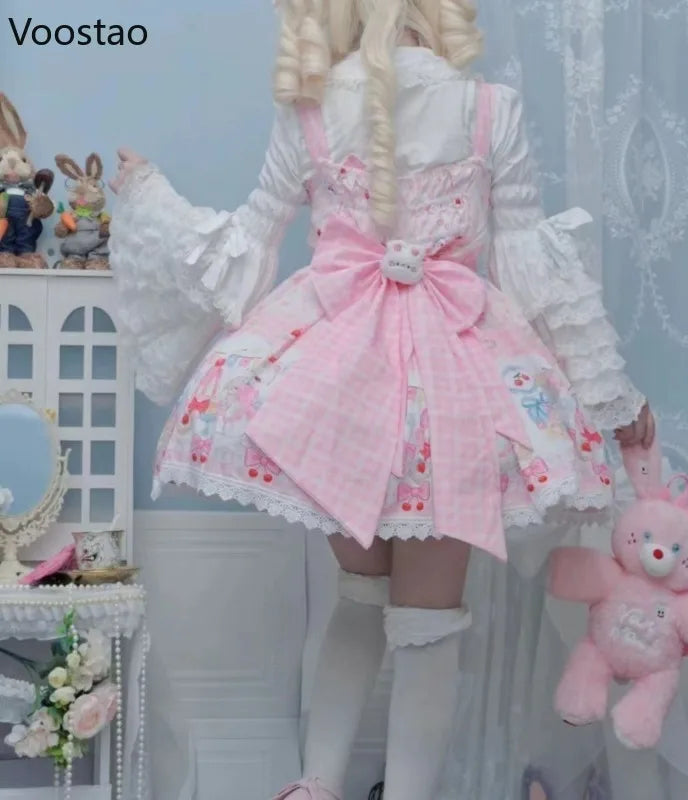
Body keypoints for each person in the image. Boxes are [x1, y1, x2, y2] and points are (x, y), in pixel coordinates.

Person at [109, 2, 655, 798]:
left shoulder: (310, 109)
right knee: (428, 626)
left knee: (360, 598)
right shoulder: (488, 110)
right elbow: (535, 271)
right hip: (453, 392)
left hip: (337, 385)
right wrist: (609, 393)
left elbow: (243, 251)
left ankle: (316, 785)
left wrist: (150, 200)